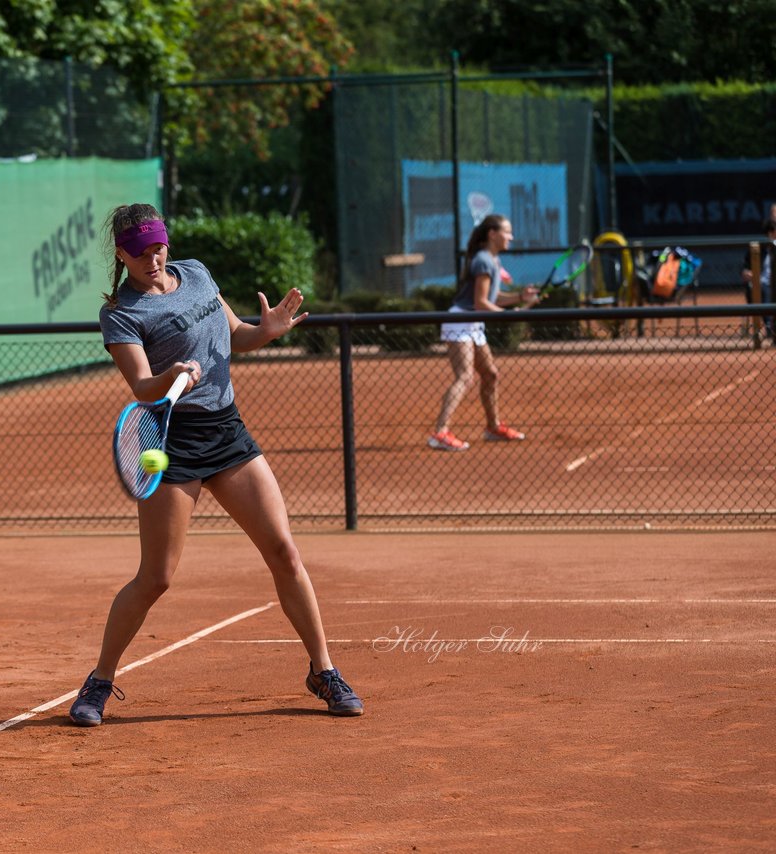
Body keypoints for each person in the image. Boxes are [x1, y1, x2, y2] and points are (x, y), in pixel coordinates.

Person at [67, 203, 364, 726]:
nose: (152, 258)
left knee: (285, 552)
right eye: (139, 252)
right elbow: (141, 386)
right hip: (172, 441)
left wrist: (265, 330)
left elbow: (237, 335)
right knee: (156, 577)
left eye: (158, 246)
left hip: (227, 432)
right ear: (121, 254)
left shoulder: (198, 274)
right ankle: (100, 681)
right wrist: (172, 375)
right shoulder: (121, 313)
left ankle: (323, 670)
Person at [429, 214, 539, 452]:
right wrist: (507, 315)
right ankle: (440, 432)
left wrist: (520, 298)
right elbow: (481, 303)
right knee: (465, 376)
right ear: (493, 234)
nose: (511, 237)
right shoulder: (483, 260)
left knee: (489, 374)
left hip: (474, 322)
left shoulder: (493, 261)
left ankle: (492, 427)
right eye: (507, 232)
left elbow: (492, 297)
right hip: (461, 320)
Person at [738, 216, 775, 341]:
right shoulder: (757, 248)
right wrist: (746, 272)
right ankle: (770, 328)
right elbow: (744, 267)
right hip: (762, 284)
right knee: (763, 290)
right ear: (770, 233)